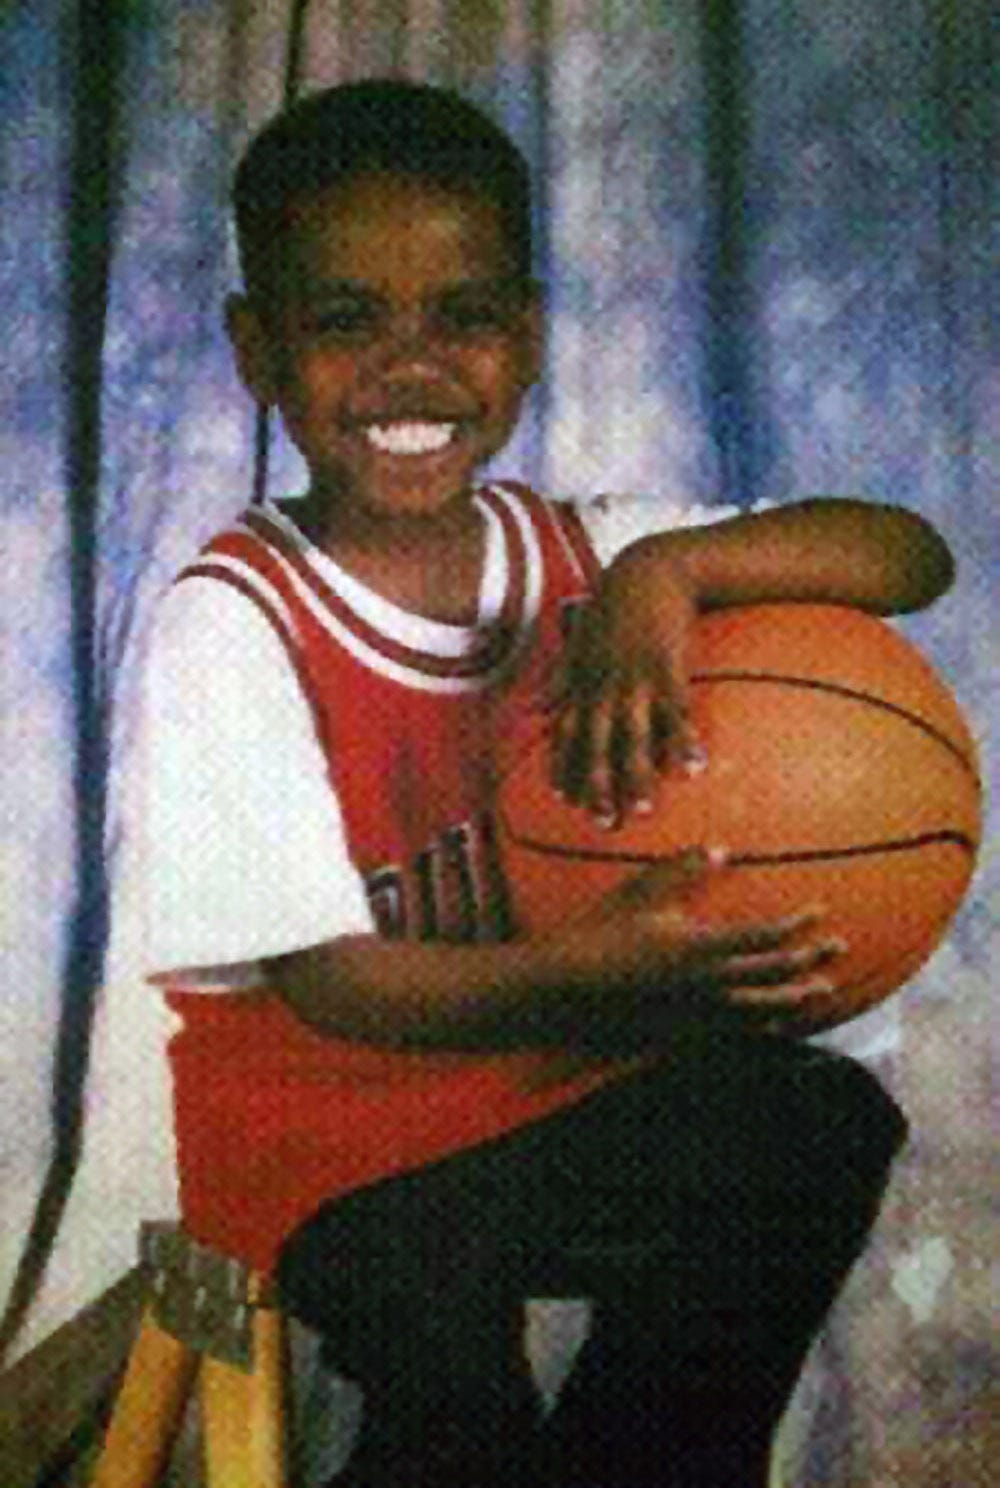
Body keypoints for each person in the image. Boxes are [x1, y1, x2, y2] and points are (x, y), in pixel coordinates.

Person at [141, 79, 954, 1487]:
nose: (411, 366)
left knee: (814, 1128)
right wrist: (607, 966)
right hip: (326, 1135)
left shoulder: (591, 550)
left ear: (524, 339)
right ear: (256, 353)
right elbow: (336, 986)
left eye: (462, 317)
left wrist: (671, 572)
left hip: (542, 1082)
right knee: (450, 1383)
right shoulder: (233, 620)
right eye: (346, 322)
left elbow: (907, 558)